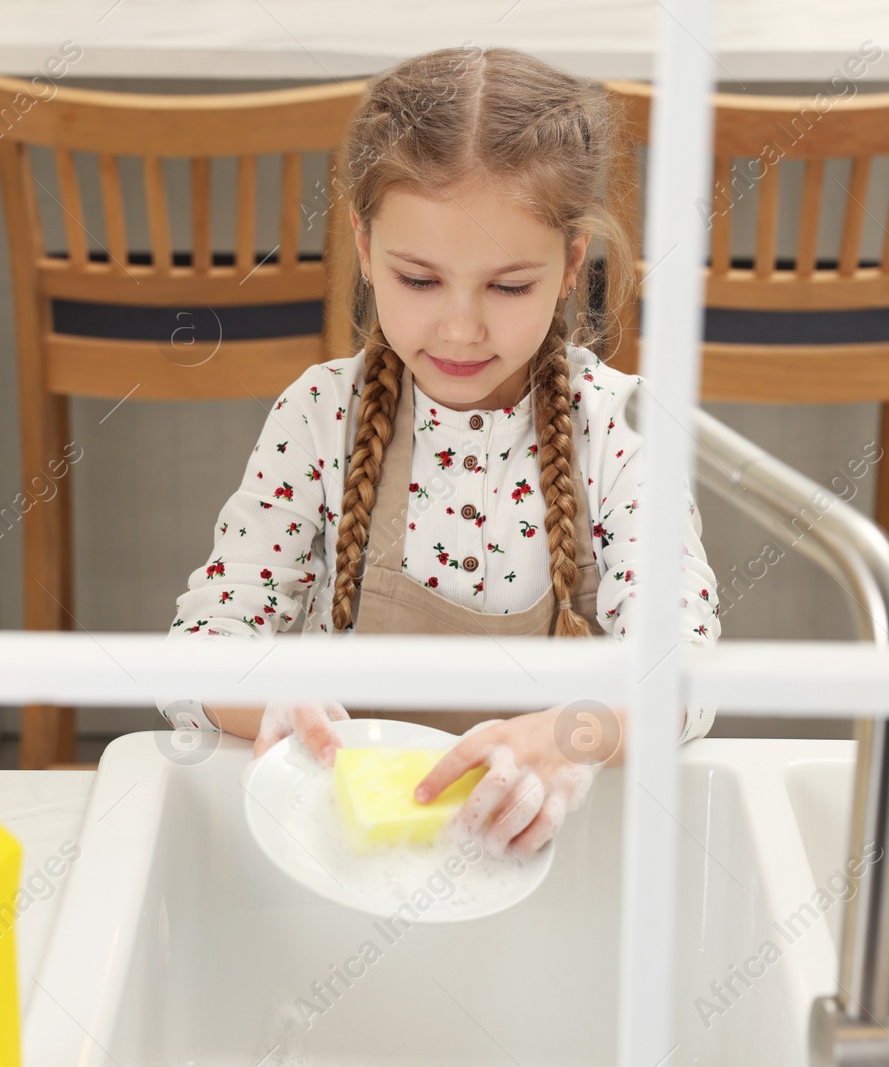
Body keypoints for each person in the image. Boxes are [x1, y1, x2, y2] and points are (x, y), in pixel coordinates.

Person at [158, 45, 720, 856]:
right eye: (419, 280)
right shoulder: (320, 416)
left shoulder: (619, 430)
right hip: (349, 860)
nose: (461, 328)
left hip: (560, 867)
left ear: (570, 267)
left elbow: (683, 673)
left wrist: (564, 739)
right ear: (363, 242)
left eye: (508, 285)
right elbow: (203, 641)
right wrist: (267, 703)